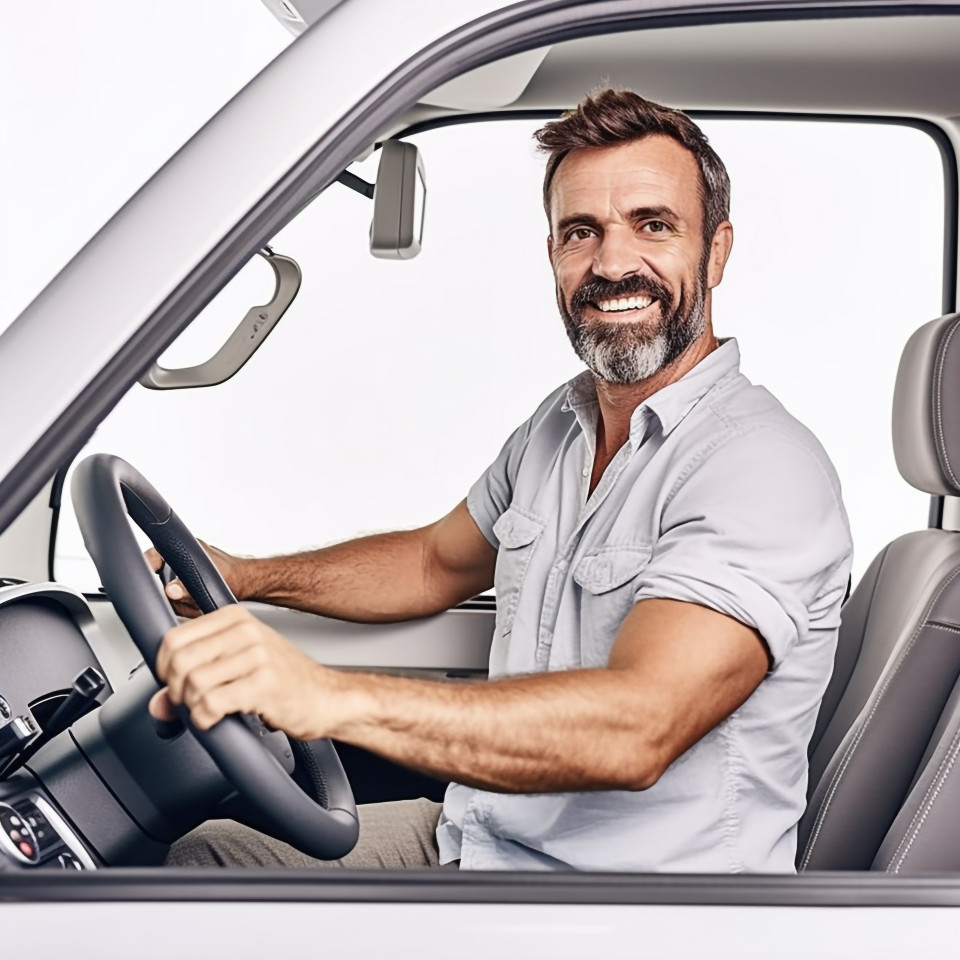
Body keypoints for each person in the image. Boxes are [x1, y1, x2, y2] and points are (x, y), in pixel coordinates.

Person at [153, 89, 852, 873]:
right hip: (480, 843)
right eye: (580, 232)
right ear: (553, 253)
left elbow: (638, 727)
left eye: (653, 225)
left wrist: (327, 694)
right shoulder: (561, 425)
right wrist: (242, 576)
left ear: (716, 250)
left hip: (624, 911)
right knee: (210, 859)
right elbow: (432, 563)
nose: (613, 263)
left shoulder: (761, 467)